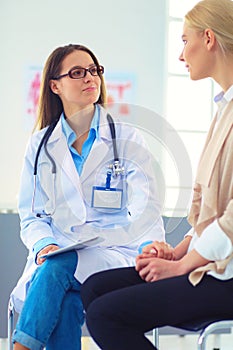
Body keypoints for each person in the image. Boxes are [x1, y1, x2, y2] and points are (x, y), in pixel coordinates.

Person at [80, 1, 233, 349]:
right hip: (209, 261)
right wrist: (177, 253)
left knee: (105, 314)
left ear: (208, 38)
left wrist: (183, 267)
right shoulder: (224, 108)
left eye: (184, 40)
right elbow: (211, 213)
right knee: (95, 288)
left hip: (225, 275)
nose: (182, 54)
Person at [10, 44, 165, 350]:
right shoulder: (40, 145)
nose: (89, 78)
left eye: (94, 70)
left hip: (113, 251)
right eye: (77, 73)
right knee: (65, 298)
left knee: (60, 264)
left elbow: (145, 207)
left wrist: (148, 248)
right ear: (55, 85)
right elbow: (32, 215)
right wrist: (45, 244)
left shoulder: (126, 138)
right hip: (57, 251)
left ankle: (20, 347)